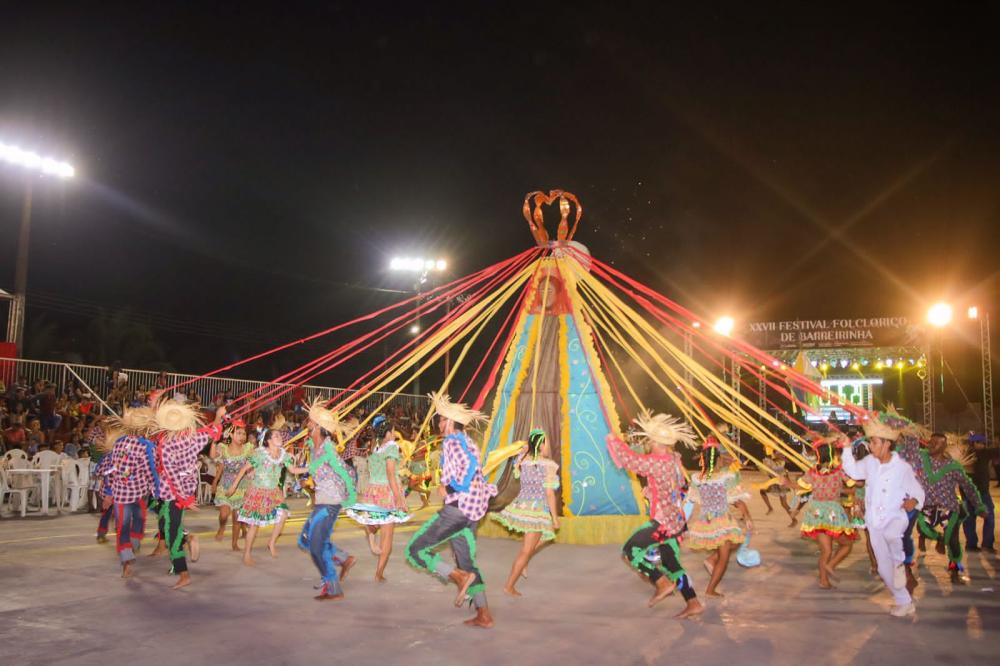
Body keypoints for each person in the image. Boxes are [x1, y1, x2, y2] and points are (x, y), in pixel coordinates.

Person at [406, 392, 496, 629]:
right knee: (467, 562)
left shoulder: (452, 441)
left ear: (450, 422)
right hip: (472, 511)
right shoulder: (468, 441)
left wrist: (450, 486)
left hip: (457, 510)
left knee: (416, 550)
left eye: (441, 419)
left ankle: (458, 577)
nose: (438, 423)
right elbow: (477, 470)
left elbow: (469, 467)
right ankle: (483, 613)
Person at [606, 411, 703, 618]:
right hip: (676, 521)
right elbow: (676, 486)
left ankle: (661, 582)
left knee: (630, 551)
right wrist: (652, 491)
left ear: (657, 442)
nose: (648, 443)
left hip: (663, 523)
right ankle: (693, 602)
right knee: (670, 562)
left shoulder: (657, 461)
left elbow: (631, 461)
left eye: (650, 440)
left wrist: (614, 440)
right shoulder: (673, 459)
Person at [842, 413, 925, 617]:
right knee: (881, 569)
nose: (870, 446)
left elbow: (918, 491)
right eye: (870, 441)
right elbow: (852, 471)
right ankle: (904, 601)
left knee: (892, 535)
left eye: (874, 442)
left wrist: (913, 501)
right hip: (874, 522)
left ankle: (899, 561)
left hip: (895, 518)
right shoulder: (869, 462)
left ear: (887, 444)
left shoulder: (902, 468)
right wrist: (845, 447)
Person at [151, 399, 225, 590]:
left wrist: (184, 500)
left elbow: (172, 475)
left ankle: (183, 572)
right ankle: (184, 548)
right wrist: (218, 416)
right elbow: (214, 432)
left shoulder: (166, 445)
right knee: (168, 527)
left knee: (170, 533)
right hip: (186, 488)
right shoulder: (193, 438)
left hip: (172, 494)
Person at [898, 431, 985, 582]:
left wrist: (979, 506)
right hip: (926, 506)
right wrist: (907, 433)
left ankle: (955, 571)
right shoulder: (920, 457)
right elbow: (904, 451)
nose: (931, 444)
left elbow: (968, 487)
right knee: (924, 528)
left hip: (949, 506)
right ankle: (938, 538)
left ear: (944, 446)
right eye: (930, 442)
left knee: (953, 539)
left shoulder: (953, 466)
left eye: (936, 442)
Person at [297, 399, 357, 601]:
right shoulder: (315, 447)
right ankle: (342, 558)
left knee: (315, 547)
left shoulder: (328, 450)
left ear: (317, 427)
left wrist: (350, 498)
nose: (307, 424)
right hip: (322, 501)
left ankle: (333, 588)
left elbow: (346, 472)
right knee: (305, 540)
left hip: (330, 503)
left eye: (310, 422)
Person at [489, 428, 560, 596]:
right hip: (536, 510)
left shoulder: (522, 460)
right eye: (546, 441)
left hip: (522, 507)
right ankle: (509, 586)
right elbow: (549, 493)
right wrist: (555, 517)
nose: (548, 444)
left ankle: (525, 562)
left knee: (545, 536)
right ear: (541, 444)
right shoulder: (548, 465)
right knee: (526, 550)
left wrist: (526, 447)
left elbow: (521, 454)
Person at [228, 427, 307, 566]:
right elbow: (244, 469)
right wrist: (234, 486)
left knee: (283, 515)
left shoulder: (284, 455)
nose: (280, 437)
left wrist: (311, 468)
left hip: (274, 492)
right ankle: (246, 554)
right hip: (258, 491)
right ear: (269, 440)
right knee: (254, 525)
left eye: (280, 435)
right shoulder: (259, 454)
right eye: (276, 436)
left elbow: (293, 470)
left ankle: (271, 542)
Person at [345, 415, 409, 581]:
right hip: (387, 492)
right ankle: (379, 573)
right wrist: (399, 498)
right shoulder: (392, 447)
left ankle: (371, 536)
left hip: (372, 491)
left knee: (373, 524)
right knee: (387, 536)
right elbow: (390, 474)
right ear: (388, 433)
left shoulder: (374, 447)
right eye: (393, 430)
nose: (395, 433)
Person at [686, 439, 752, 597]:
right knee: (724, 558)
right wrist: (747, 517)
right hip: (722, 520)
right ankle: (710, 590)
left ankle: (711, 560)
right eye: (722, 457)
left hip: (706, 520)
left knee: (736, 543)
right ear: (718, 459)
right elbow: (737, 500)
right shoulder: (724, 477)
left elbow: (693, 499)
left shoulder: (696, 478)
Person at [102, 407, 155, 578]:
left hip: (120, 494)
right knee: (138, 520)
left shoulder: (118, 443)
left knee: (122, 527)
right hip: (139, 493)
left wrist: (108, 491)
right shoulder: (146, 446)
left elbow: (112, 469)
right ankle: (133, 545)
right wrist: (157, 487)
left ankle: (126, 560)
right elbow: (150, 471)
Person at [798, 436, 856, 589]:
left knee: (826, 550)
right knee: (846, 545)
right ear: (833, 455)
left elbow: (802, 484)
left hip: (817, 513)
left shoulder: (812, 473)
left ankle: (824, 580)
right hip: (833, 513)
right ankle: (831, 565)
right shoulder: (838, 472)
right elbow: (852, 483)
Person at [211, 420, 254, 551]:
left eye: (244, 434)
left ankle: (234, 544)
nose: (242, 436)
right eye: (239, 433)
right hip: (225, 485)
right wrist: (213, 441)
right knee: (224, 514)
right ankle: (222, 527)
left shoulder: (248, 449)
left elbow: (253, 466)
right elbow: (215, 459)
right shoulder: (223, 448)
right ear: (230, 435)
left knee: (237, 517)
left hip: (242, 486)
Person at [963, 433, 997, 553]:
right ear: (973, 443)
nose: (982, 445)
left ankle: (977, 545)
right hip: (976, 493)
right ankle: (980, 545)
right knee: (982, 518)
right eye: (980, 443)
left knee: (973, 519)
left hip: (975, 493)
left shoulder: (966, 455)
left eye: (983, 443)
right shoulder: (975, 455)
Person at [758, 449, 800, 526]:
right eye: (779, 454)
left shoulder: (778, 463)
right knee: (763, 491)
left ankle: (794, 520)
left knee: (784, 504)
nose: (781, 456)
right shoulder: (771, 462)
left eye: (781, 454)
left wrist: (790, 484)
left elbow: (785, 473)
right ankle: (771, 508)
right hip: (776, 483)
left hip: (780, 485)